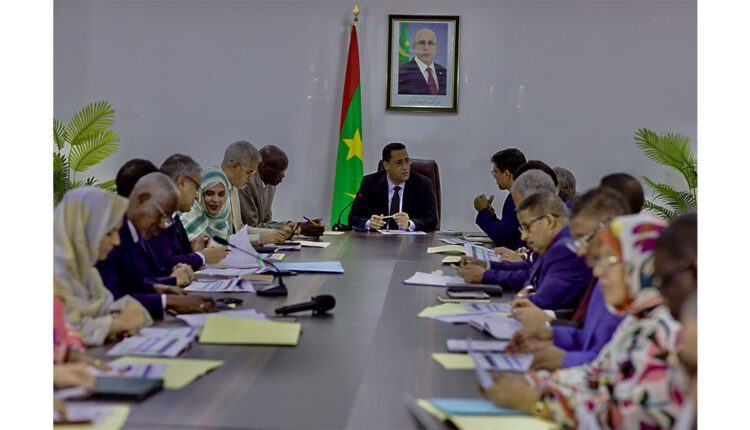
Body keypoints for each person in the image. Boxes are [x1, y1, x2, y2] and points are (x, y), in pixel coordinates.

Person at [482, 213, 686, 430]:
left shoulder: (669, 333)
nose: (598, 271)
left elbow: (629, 418)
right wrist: (537, 382)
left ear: (643, 264)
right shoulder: (637, 319)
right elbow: (597, 374)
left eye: (609, 260)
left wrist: (539, 401)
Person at [506, 187, 631, 370]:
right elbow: (585, 337)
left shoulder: (630, 288)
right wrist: (549, 334)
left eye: (582, 238)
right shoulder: (601, 279)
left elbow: (615, 365)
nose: (578, 250)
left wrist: (562, 360)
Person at [97, 172, 217, 319]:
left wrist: (160, 288)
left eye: (167, 218)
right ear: (142, 200)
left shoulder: (136, 231)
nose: (162, 225)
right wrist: (167, 301)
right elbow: (113, 297)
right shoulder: (112, 234)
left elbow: (136, 282)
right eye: (162, 215)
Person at [459, 192, 591, 311]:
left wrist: (521, 298)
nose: (523, 237)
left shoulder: (565, 249)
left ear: (549, 221)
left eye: (527, 227)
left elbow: (543, 301)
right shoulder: (553, 243)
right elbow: (530, 275)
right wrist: (487, 267)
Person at [53, 187, 152, 346]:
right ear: (82, 231)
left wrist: (124, 317)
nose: (117, 241)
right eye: (109, 233)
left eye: (117, 232)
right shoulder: (54, 276)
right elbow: (60, 334)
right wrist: (117, 324)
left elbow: (107, 308)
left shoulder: (88, 273)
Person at [149, 154, 229, 270]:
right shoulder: (154, 217)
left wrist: (195, 250)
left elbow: (182, 258)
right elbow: (166, 264)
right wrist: (202, 257)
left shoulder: (174, 217)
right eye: (196, 188)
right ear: (181, 183)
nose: (197, 196)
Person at [181, 167, 287, 245]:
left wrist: (276, 232)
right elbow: (210, 245)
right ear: (200, 194)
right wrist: (260, 238)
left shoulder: (221, 214)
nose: (216, 200)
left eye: (221, 194)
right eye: (209, 193)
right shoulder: (189, 216)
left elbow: (234, 235)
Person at [348, 142, 438, 232]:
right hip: (378, 239)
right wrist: (369, 223)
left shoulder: (423, 184)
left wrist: (410, 224)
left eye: (407, 161)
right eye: (399, 163)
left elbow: (432, 220)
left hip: (409, 239)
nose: (405, 167)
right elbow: (353, 218)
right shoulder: (370, 182)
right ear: (386, 165)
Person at [238, 145, 324, 236]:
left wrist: (296, 225)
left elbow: (265, 222)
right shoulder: (246, 184)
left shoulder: (271, 186)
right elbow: (252, 226)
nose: (283, 176)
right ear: (263, 167)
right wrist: (296, 229)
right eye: (280, 172)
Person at [474, 148, 526, 249]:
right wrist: (490, 214)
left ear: (506, 174)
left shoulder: (516, 197)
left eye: (496, 172)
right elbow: (507, 231)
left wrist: (483, 211)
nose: (494, 176)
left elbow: (501, 237)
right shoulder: (520, 192)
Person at [398, 28, 447, 96]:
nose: (426, 48)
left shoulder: (445, 73)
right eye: (421, 43)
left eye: (430, 43)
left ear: (436, 47)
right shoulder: (401, 73)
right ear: (414, 46)